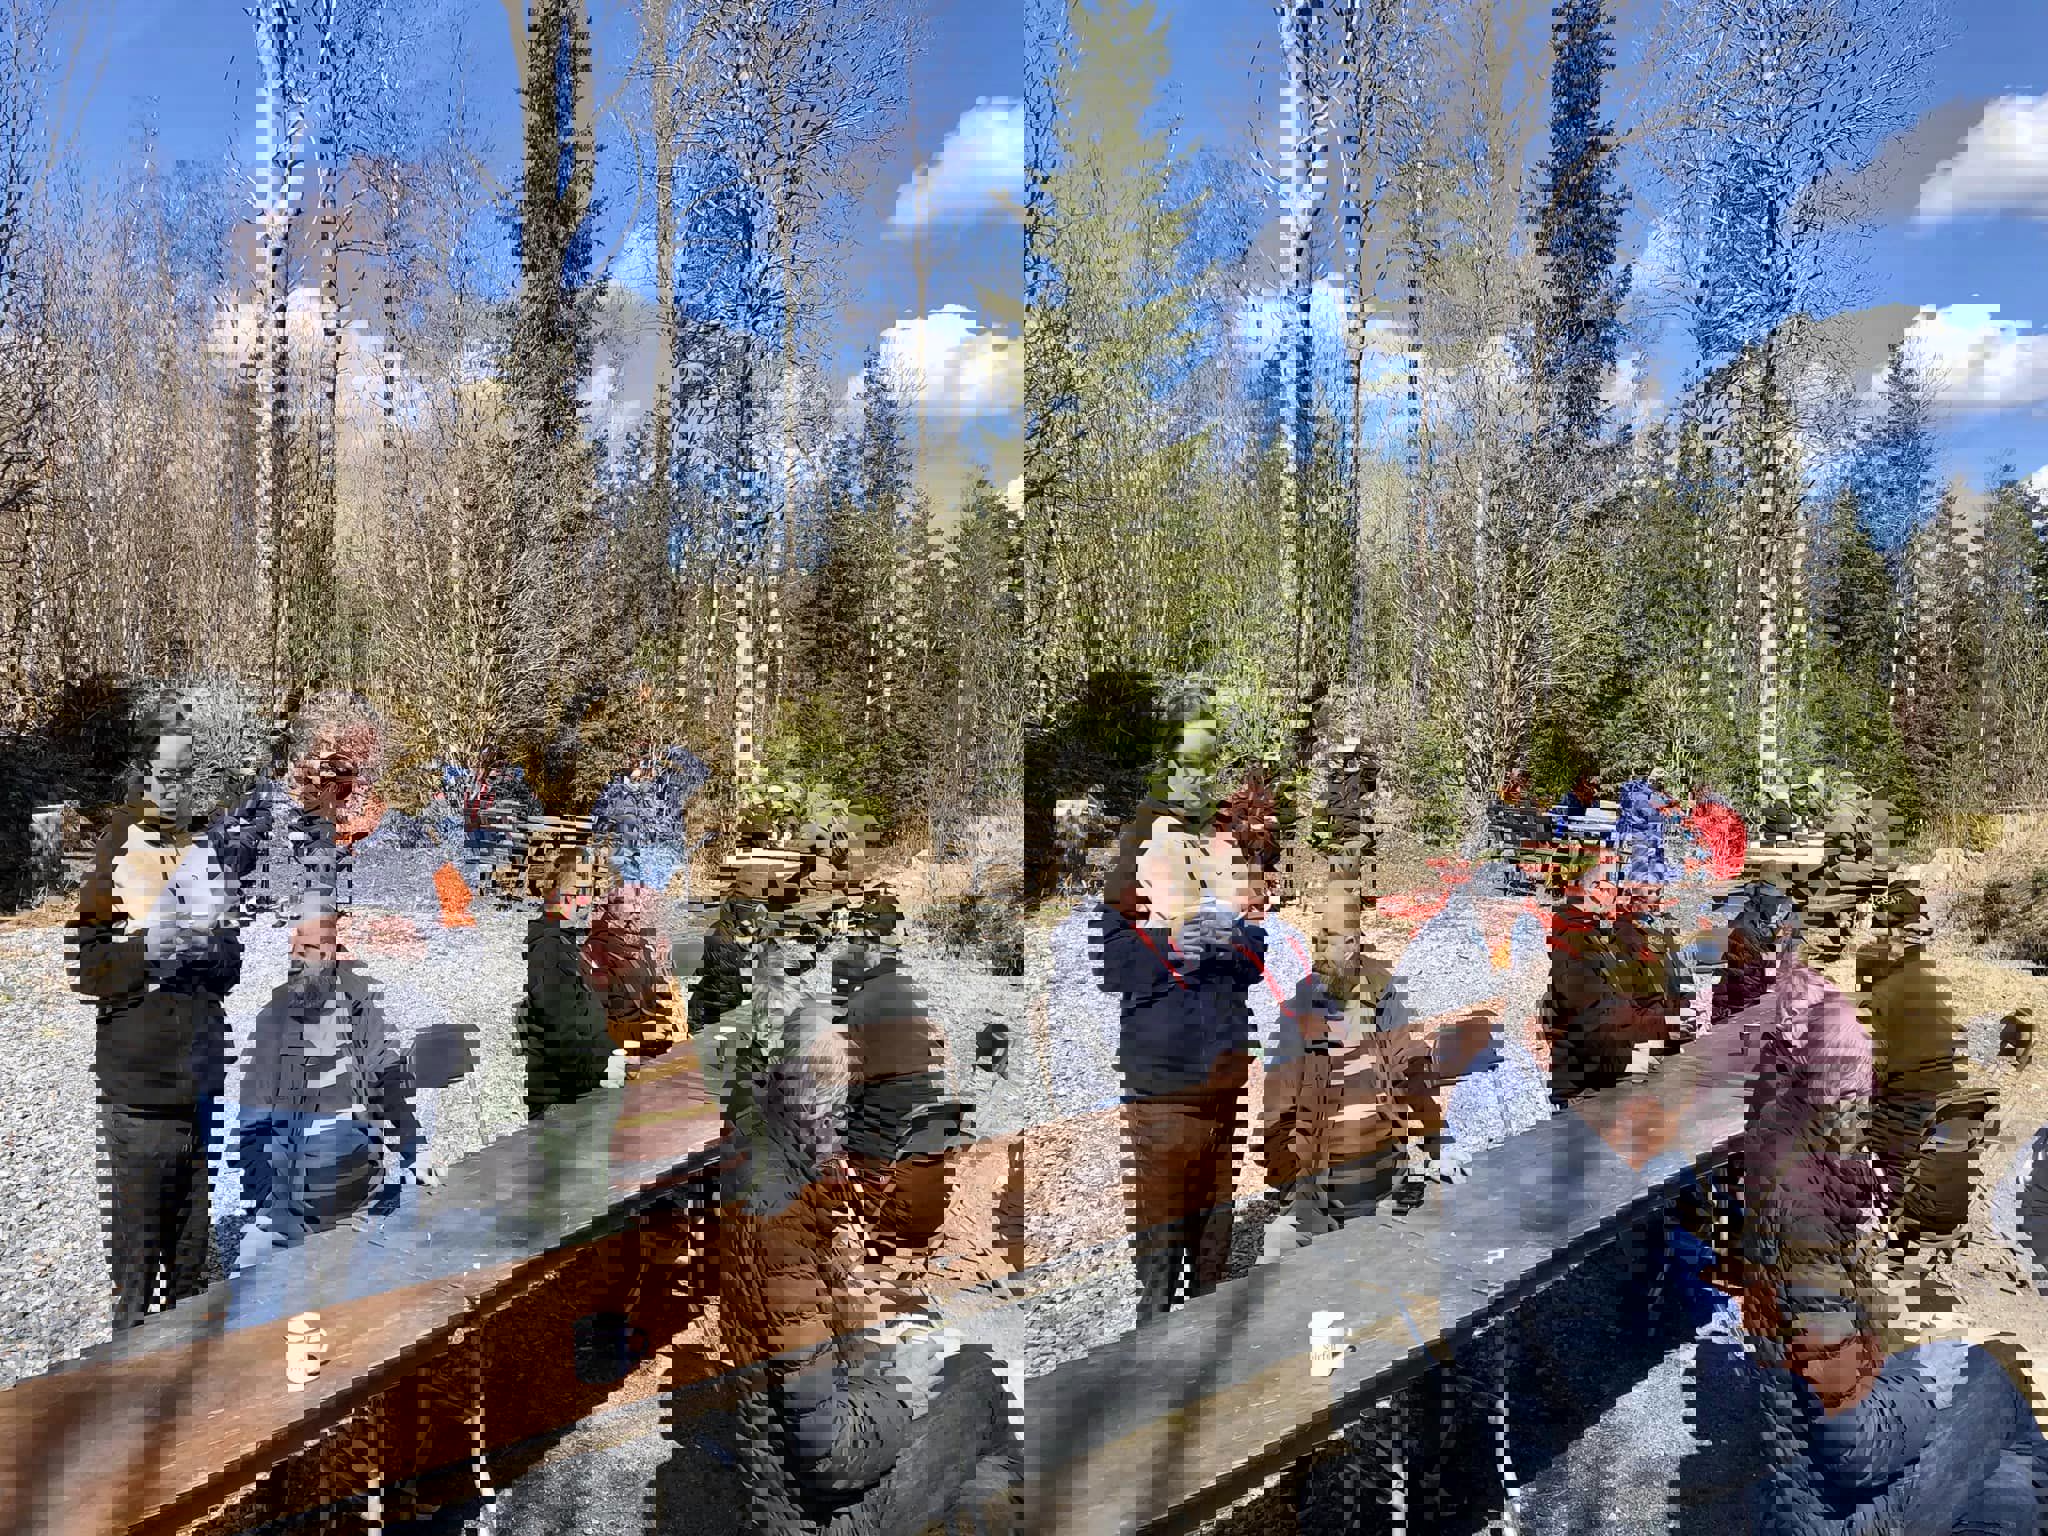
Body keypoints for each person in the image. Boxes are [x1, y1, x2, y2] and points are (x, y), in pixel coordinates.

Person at [231, 700, 422, 1263]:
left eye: (353, 763)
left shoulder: (385, 825)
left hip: (363, 1017)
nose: (342, 774)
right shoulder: (267, 818)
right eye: (331, 758)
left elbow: (444, 909)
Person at [71, 699, 241, 1328]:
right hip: (140, 1093)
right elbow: (89, 973)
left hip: (197, 1086)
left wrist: (210, 943)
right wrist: (151, 946)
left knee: (192, 1266)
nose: (176, 790)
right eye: (165, 776)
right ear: (143, 778)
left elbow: (230, 971)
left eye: (186, 776)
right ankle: (130, 1373)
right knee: (138, 1271)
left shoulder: (203, 857)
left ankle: (191, 1372)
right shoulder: (115, 857)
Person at [1098, 802, 1267, 1320]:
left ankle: (1207, 1309)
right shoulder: (1127, 897)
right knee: (1162, 1209)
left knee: (1216, 1204)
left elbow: (1255, 963)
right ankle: (1155, 1320)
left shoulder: (1227, 895)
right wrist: (1173, 940)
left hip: (1224, 1082)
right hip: (1163, 1091)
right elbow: (1114, 968)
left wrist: (1224, 936)